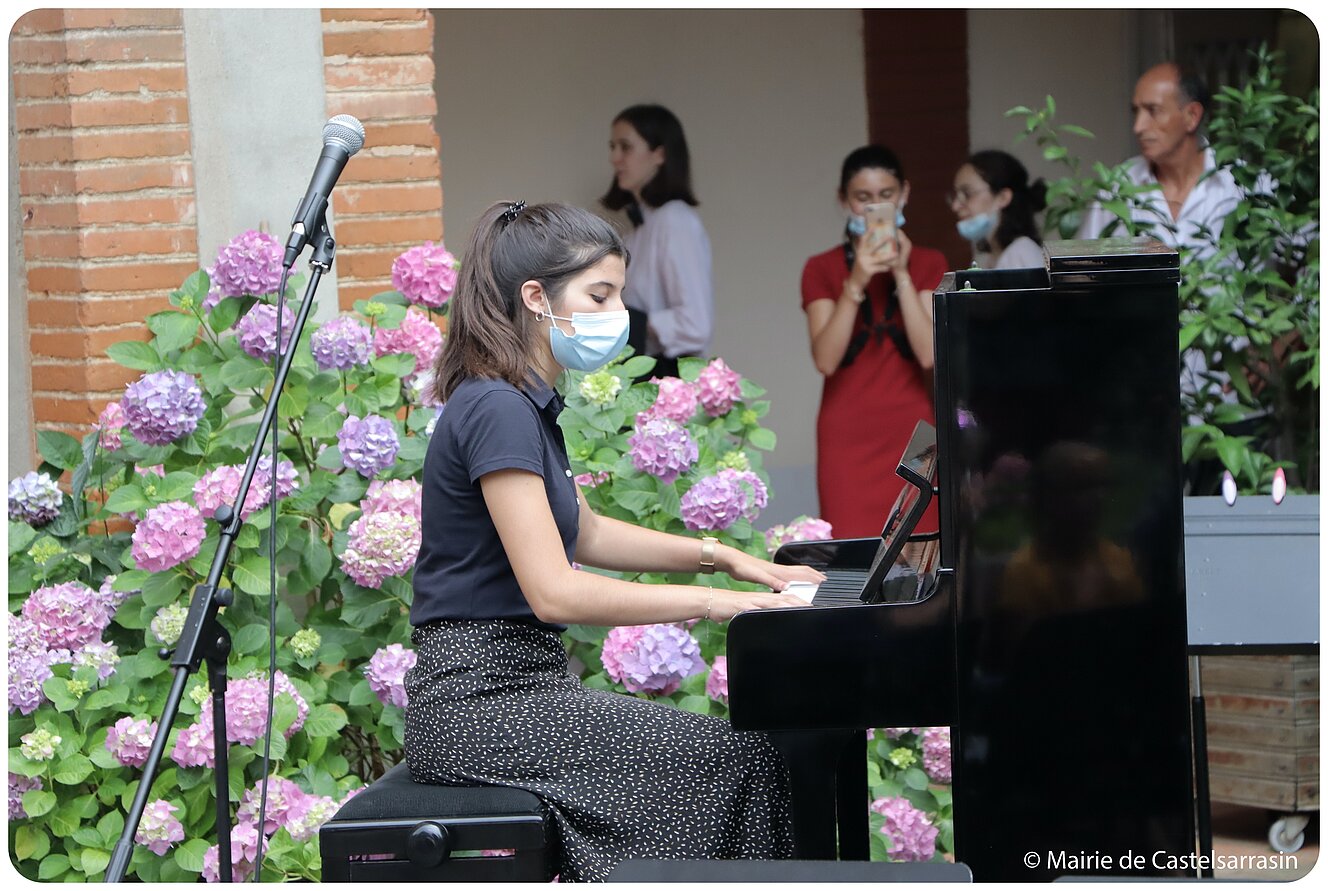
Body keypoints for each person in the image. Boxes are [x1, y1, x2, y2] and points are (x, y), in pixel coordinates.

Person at [405, 200, 821, 882]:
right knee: (738, 759)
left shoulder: (521, 402)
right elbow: (555, 591)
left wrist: (731, 560)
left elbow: (587, 531)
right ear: (535, 298)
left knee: (733, 758)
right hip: (479, 703)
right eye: (600, 296)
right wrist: (724, 604)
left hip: (516, 690)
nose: (618, 313)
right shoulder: (498, 407)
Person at [800, 145, 948, 538]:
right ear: (844, 201)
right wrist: (857, 281)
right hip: (846, 434)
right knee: (851, 546)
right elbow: (825, 360)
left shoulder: (929, 262)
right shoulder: (821, 267)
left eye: (885, 195)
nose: (874, 207)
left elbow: (929, 354)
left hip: (911, 429)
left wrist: (901, 273)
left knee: (918, 547)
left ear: (904, 194)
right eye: (862, 198)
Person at [1075, 62, 1240, 253]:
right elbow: (1086, 263)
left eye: (1153, 110)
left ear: (1192, 116)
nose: (1138, 127)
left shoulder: (1238, 184)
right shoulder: (1117, 185)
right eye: (1136, 112)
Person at [601, 104, 713, 379]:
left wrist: (633, 322)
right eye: (613, 147)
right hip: (640, 375)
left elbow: (696, 325)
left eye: (625, 147)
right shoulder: (636, 230)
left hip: (665, 381)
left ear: (659, 154)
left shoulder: (675, 220)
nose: (614, 158)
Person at [949, 149, 1048, 269]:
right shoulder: (995, 257)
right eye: (956, 195)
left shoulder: (1020, 253)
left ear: (1003, 197)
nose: (955, 206)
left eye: (967, 194)